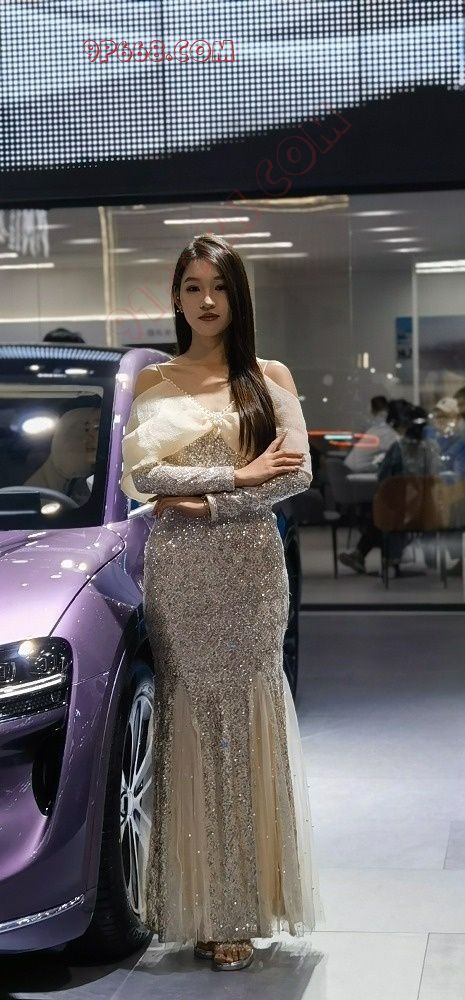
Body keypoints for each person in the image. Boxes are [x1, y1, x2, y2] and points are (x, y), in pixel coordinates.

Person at [120, 234, 324, 971]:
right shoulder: (152, 379)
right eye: (193, 287)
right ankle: (196, 906)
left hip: (251, 570)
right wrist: (237, 479)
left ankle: (242, 906)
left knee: (248, 720)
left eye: (220, 287)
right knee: (190, 722)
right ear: (177, 298)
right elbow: (143, 479)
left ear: (238, 298)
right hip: (179, 572)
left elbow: (294, 474)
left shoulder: (267, 376)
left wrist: (208, 501)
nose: (206, 300)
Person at [339, 400, 441, 573]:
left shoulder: (397, 447)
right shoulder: (433, 447)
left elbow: (384, 477)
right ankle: (423, 558)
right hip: (428, 509)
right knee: (388, 509)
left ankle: (375, 555)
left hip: (400, 512)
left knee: (382, 510)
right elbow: (436, 474)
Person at [24, 404, 100, 505]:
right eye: (85, 429)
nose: (87, 437)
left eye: (97, 427)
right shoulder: (37, 489)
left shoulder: (108, 481)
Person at [344, 395, 398, 472]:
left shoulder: (374, 428)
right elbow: (396, 453)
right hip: (359, 470)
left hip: (349, 467)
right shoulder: (385, 430)